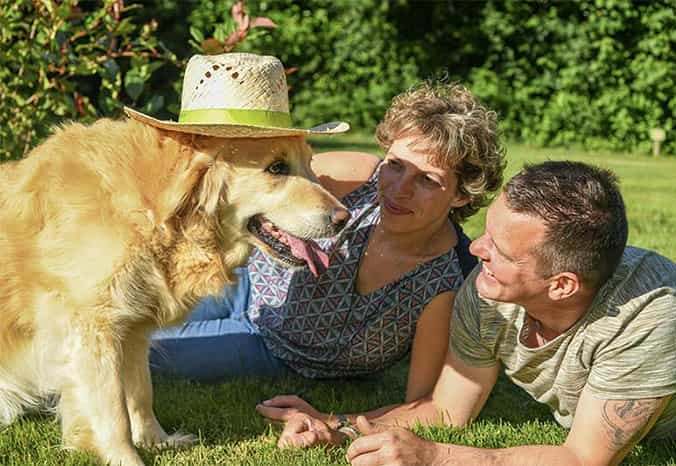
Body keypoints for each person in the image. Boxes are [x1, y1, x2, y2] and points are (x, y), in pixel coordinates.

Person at [258, 161, 676, 466]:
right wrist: (337, 428)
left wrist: (434, 456)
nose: (475, 249)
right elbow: (447, 410)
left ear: (562, 285)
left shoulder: (651, 314)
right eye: (487, 232)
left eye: (501, 250)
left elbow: (581, 458)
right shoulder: (488, 289)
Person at [149, 82, 506, 401]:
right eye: (395, 165)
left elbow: (423, 402)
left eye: (427, 179)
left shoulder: (443, 285)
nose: (399, 189)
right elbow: (262, 188)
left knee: (146, 351)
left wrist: (335, 424)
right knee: (126, 318)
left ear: (461, 194)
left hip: (276, 349)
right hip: (241, 280)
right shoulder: (359, 176)